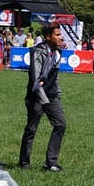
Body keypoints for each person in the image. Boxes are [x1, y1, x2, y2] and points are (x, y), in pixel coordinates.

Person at [18, 25, 67, 172]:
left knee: (60, 124)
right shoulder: (38, 51)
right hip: (37, 96)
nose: (61, 37)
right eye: (57, 35)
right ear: (48, 36)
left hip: (52, 96)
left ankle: (51, 163)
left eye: (60, 34)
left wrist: (57, 92)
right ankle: (24, 162)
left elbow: (54, 76)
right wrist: (43, 98)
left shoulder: (58, 52)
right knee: (31, 129)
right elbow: (36, 77)